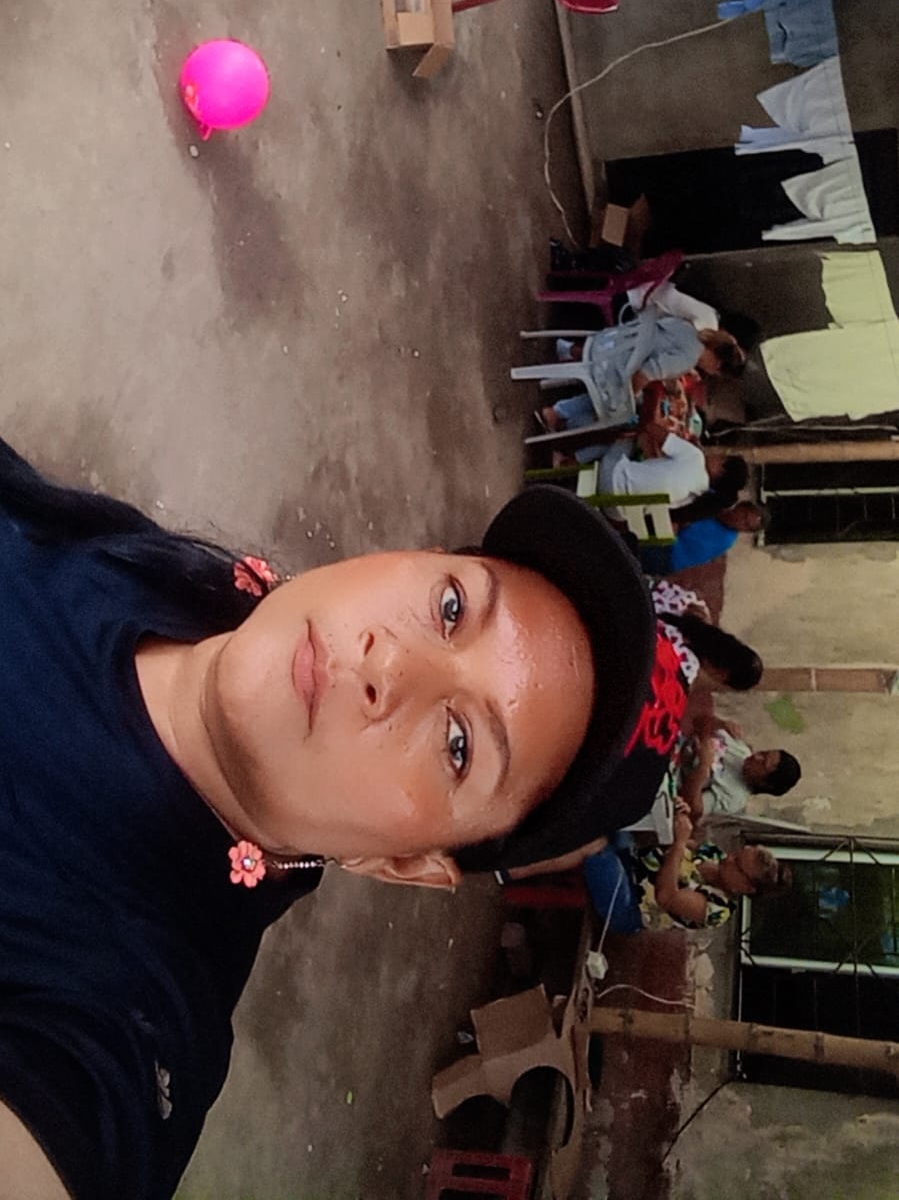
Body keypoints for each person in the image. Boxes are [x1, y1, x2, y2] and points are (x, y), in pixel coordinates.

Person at [0, 439, 681, 1200]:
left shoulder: (123, 1016)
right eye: (451, 608)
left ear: (404, 864)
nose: (389, 665)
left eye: (458, 745)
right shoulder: (191, 588)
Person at [582, 801, 792, 932]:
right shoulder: (714, 855)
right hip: (633, 862)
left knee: (595, 847)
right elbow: (669, 840)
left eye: (737, 864)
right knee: (610, 811)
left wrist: (679, 844)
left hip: (632, 905)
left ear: (747, 887)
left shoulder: (718, 909)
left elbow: (666, 897)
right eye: (736, 854)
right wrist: (680, 814)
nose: (729, 858)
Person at [539, 311, 744, 444]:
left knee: (621, 395)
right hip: (612, 363)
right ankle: (557, 414)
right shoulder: (688, 358)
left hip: (610, 342)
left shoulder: (688, 328)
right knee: (621, 411)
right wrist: (629, 399)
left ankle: (566, 351)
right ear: (718, 366)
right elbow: (645, 374)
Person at [680, 717, 801, 821]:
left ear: (764, 783)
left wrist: (702, 767)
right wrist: (719, 724)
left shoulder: (735, 798)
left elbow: (693, 809)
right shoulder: (742, 751)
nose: (756, 756)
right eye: (763, 753)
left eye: (762, 763)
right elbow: (699, 721)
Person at [640, 500, 768, 576]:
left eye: (746, 525)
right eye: (744, 515)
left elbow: (686, 533)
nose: (740, 521)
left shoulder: (725, 540)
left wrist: (681, 523)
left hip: (667, 554)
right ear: (741, 506)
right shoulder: (720, 502)